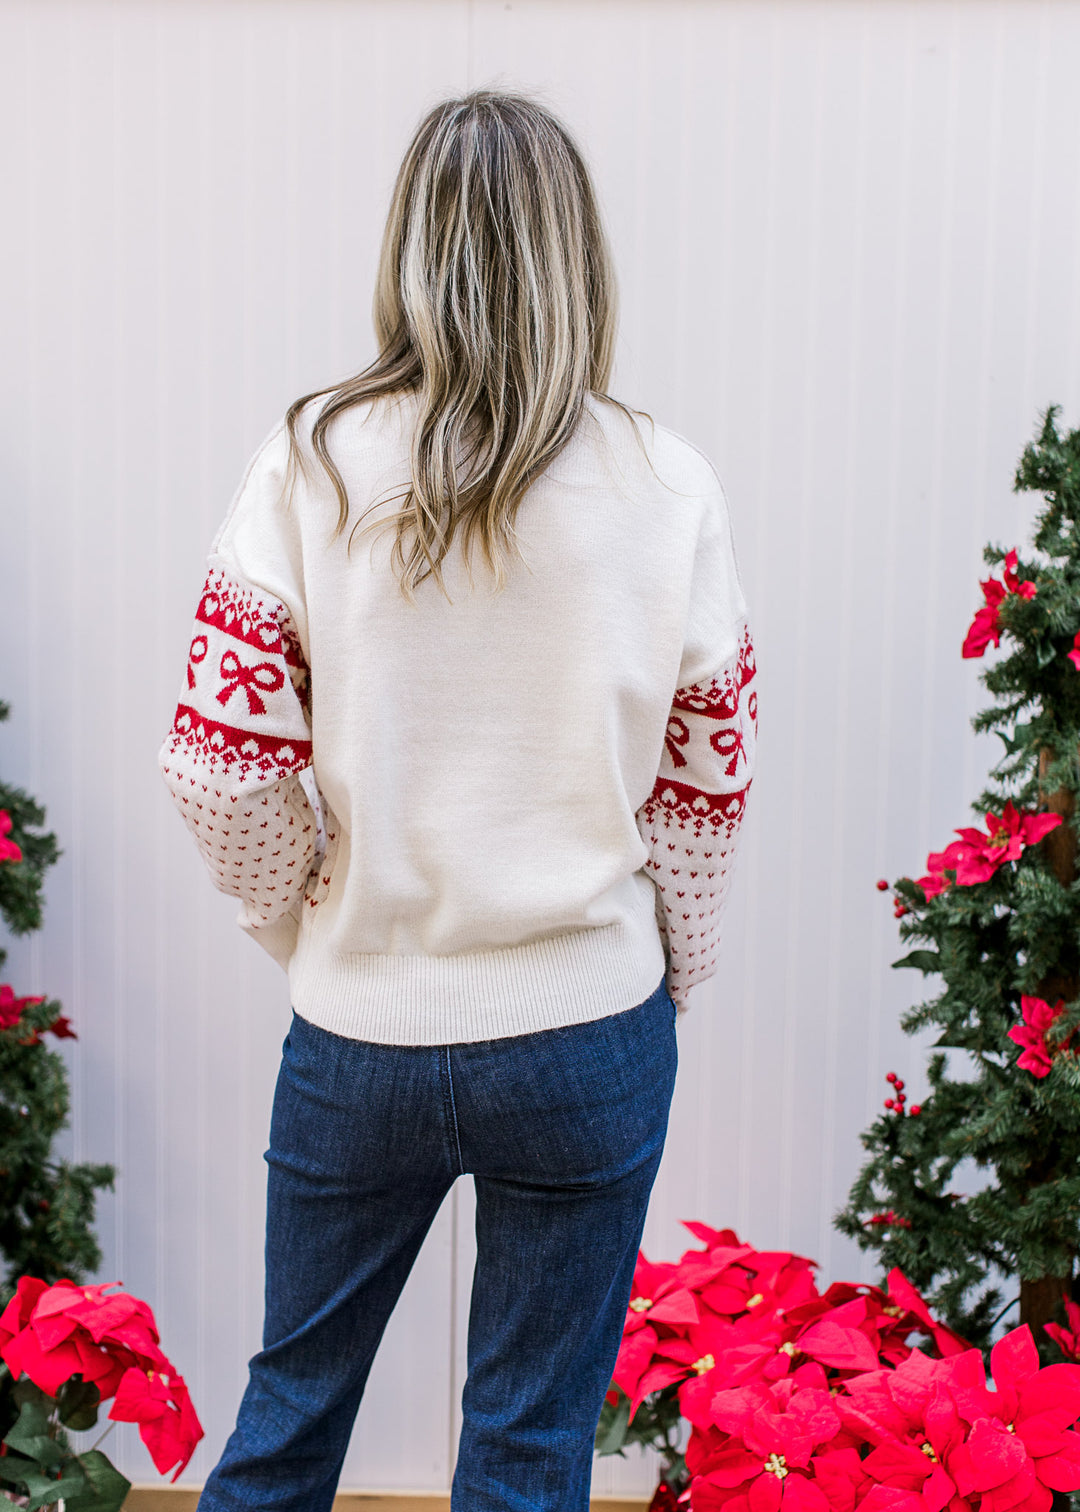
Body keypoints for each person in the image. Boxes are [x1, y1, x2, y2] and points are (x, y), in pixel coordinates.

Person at [158, 87, 757, 1512]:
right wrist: (669, 970)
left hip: (360, 1027)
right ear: (577, 256)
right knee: (529, 1454)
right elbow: (704, 791)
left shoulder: (311, 455)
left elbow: (216, 755)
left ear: (409, 249)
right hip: (586, 1034)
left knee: (290, 1417)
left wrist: (302, 915)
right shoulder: (664, 482)